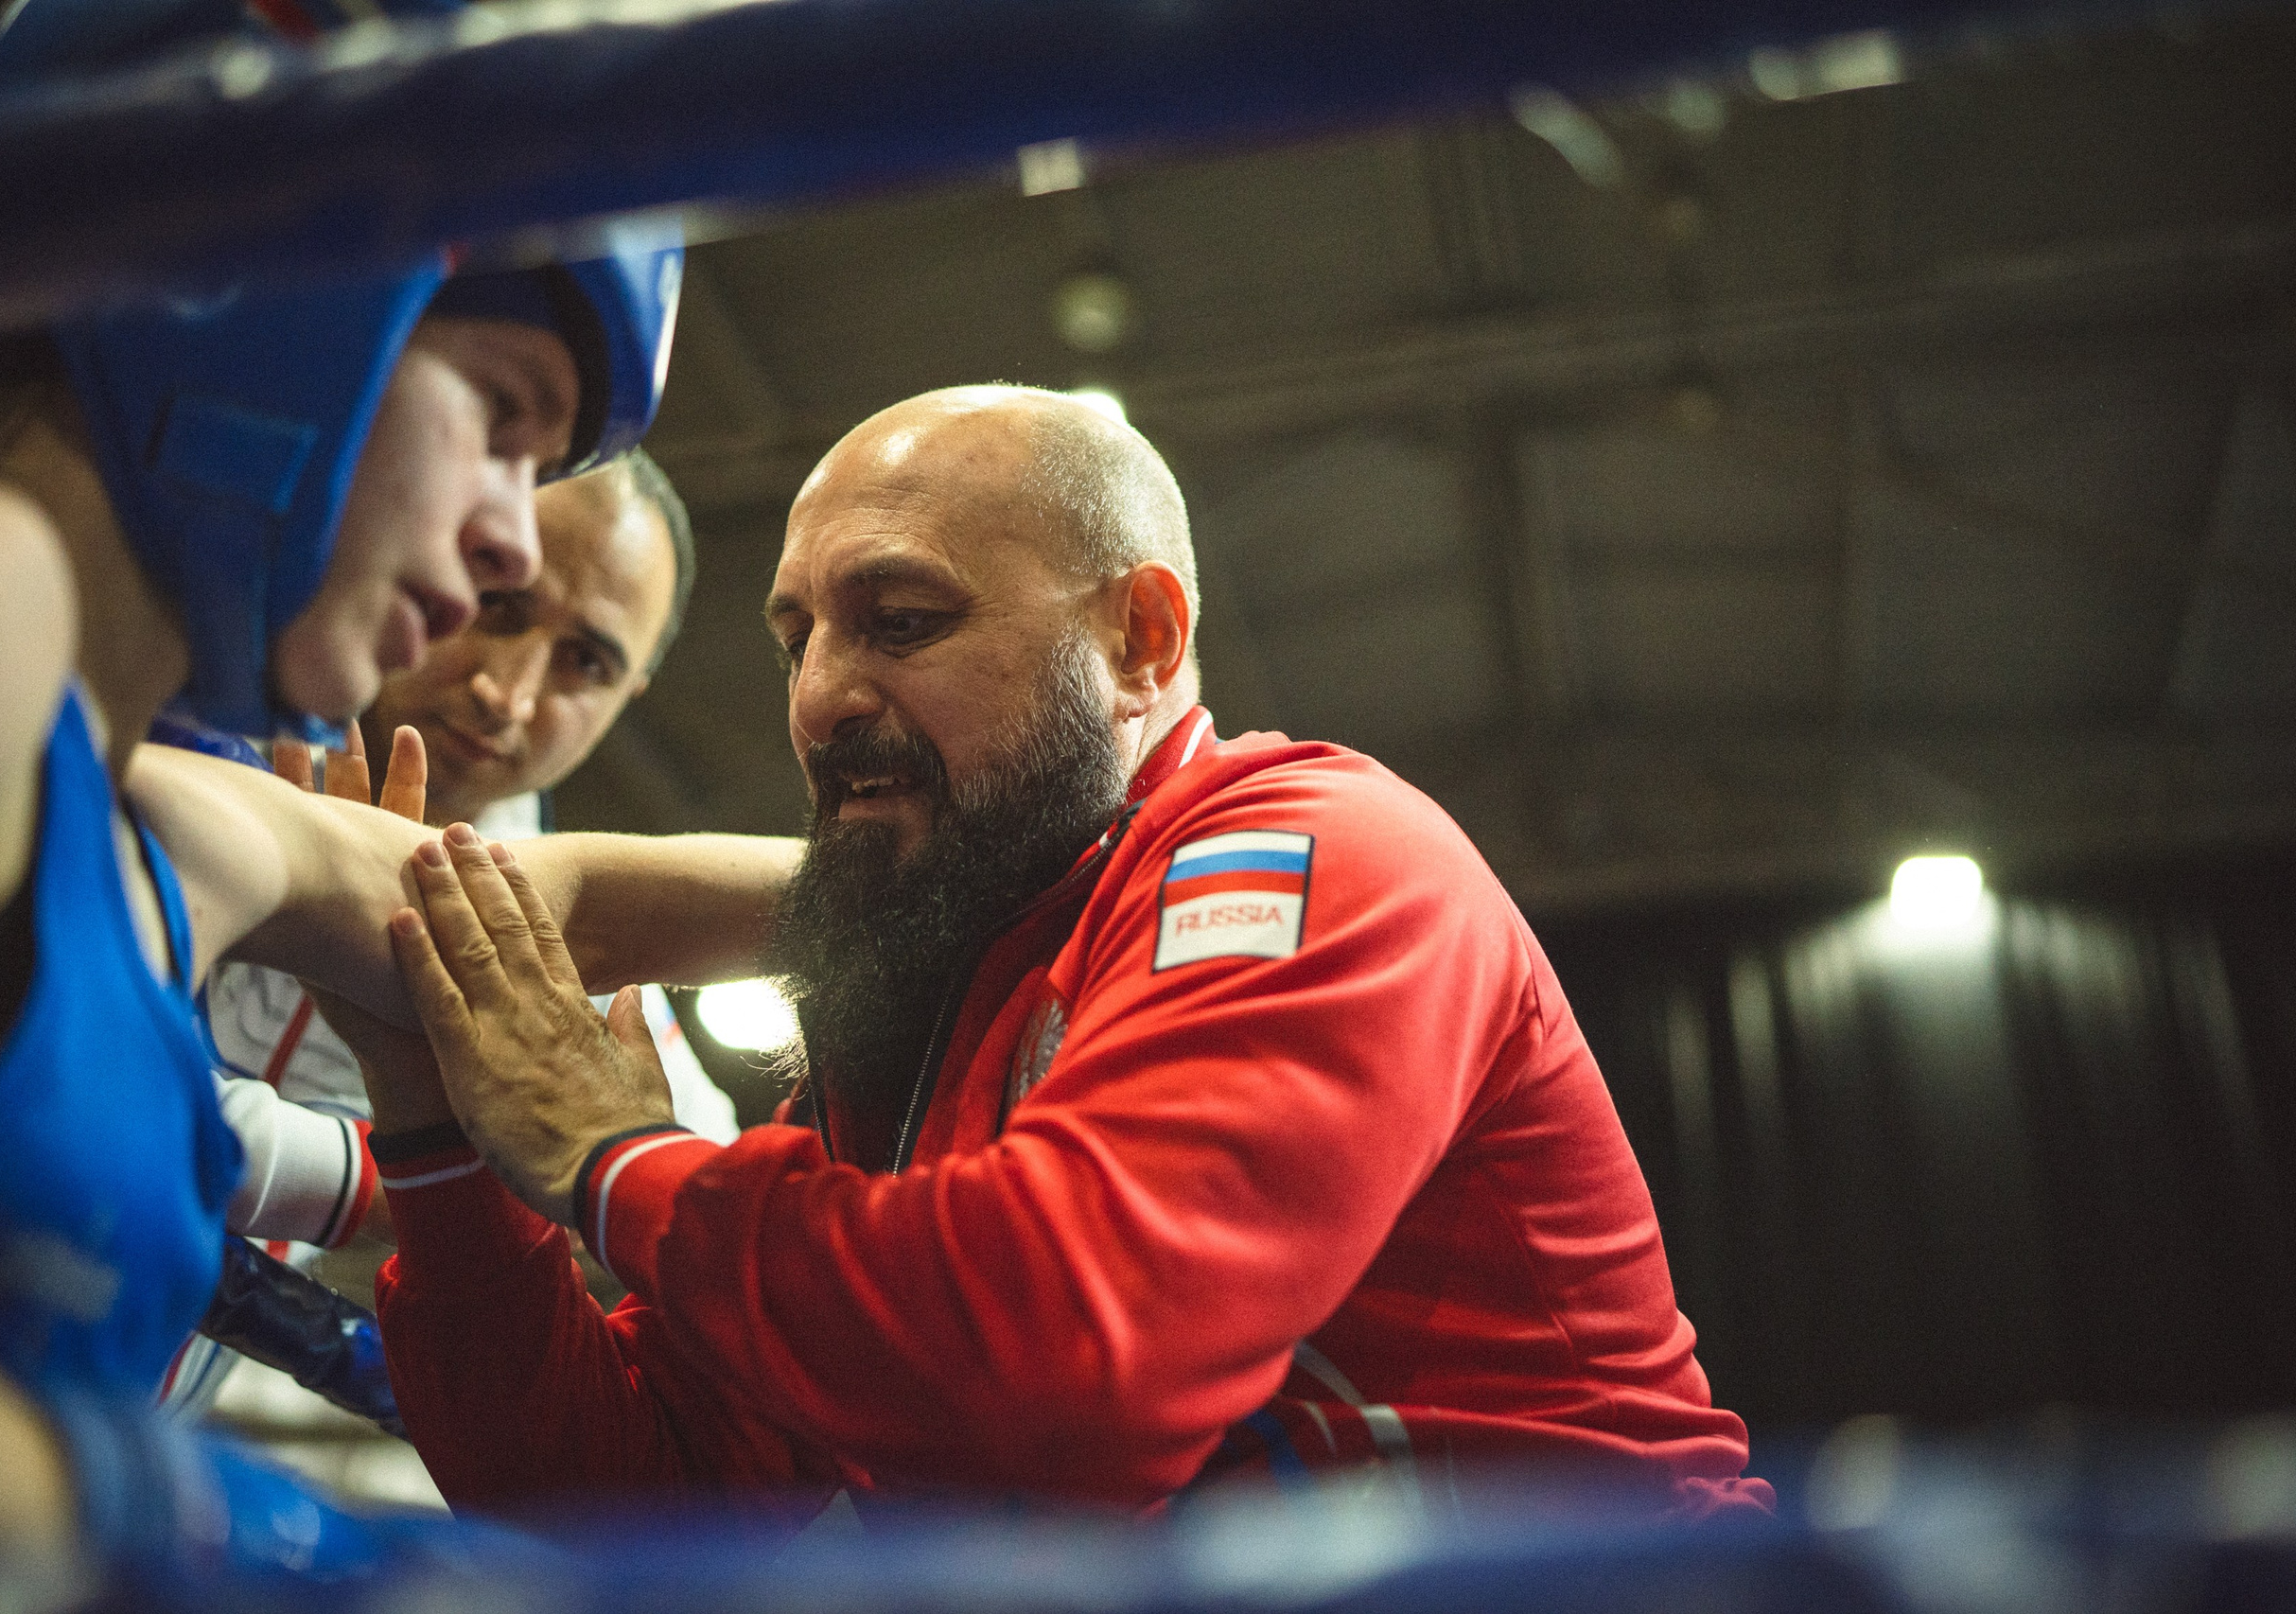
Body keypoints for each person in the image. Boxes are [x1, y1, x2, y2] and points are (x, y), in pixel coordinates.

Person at [348, 385, 1778, 1519]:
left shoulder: (1311, 849)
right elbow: (619, 1505)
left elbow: (1066, 1375)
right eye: (797, 639)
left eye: (901, 622)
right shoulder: (924, 1003)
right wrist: (438, 1133)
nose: (825, 696)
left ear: (1142, 638)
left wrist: (612, 1151)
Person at [0, 0, 692, 1563]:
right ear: (267, 300)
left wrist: (1057, 859)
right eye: (501, 421)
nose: (512, 539)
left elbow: (561, 900)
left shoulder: (153, 806)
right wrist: (133, 1528)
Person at [160, 452, 737, 1415]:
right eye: (501, 601)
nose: (504, 693)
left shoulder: (573, 970)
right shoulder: (169, 719)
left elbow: (709, 1231)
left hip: (91, 1460)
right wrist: (405, 1188)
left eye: (585, 661)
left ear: (630, 693)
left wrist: (596, 1213)